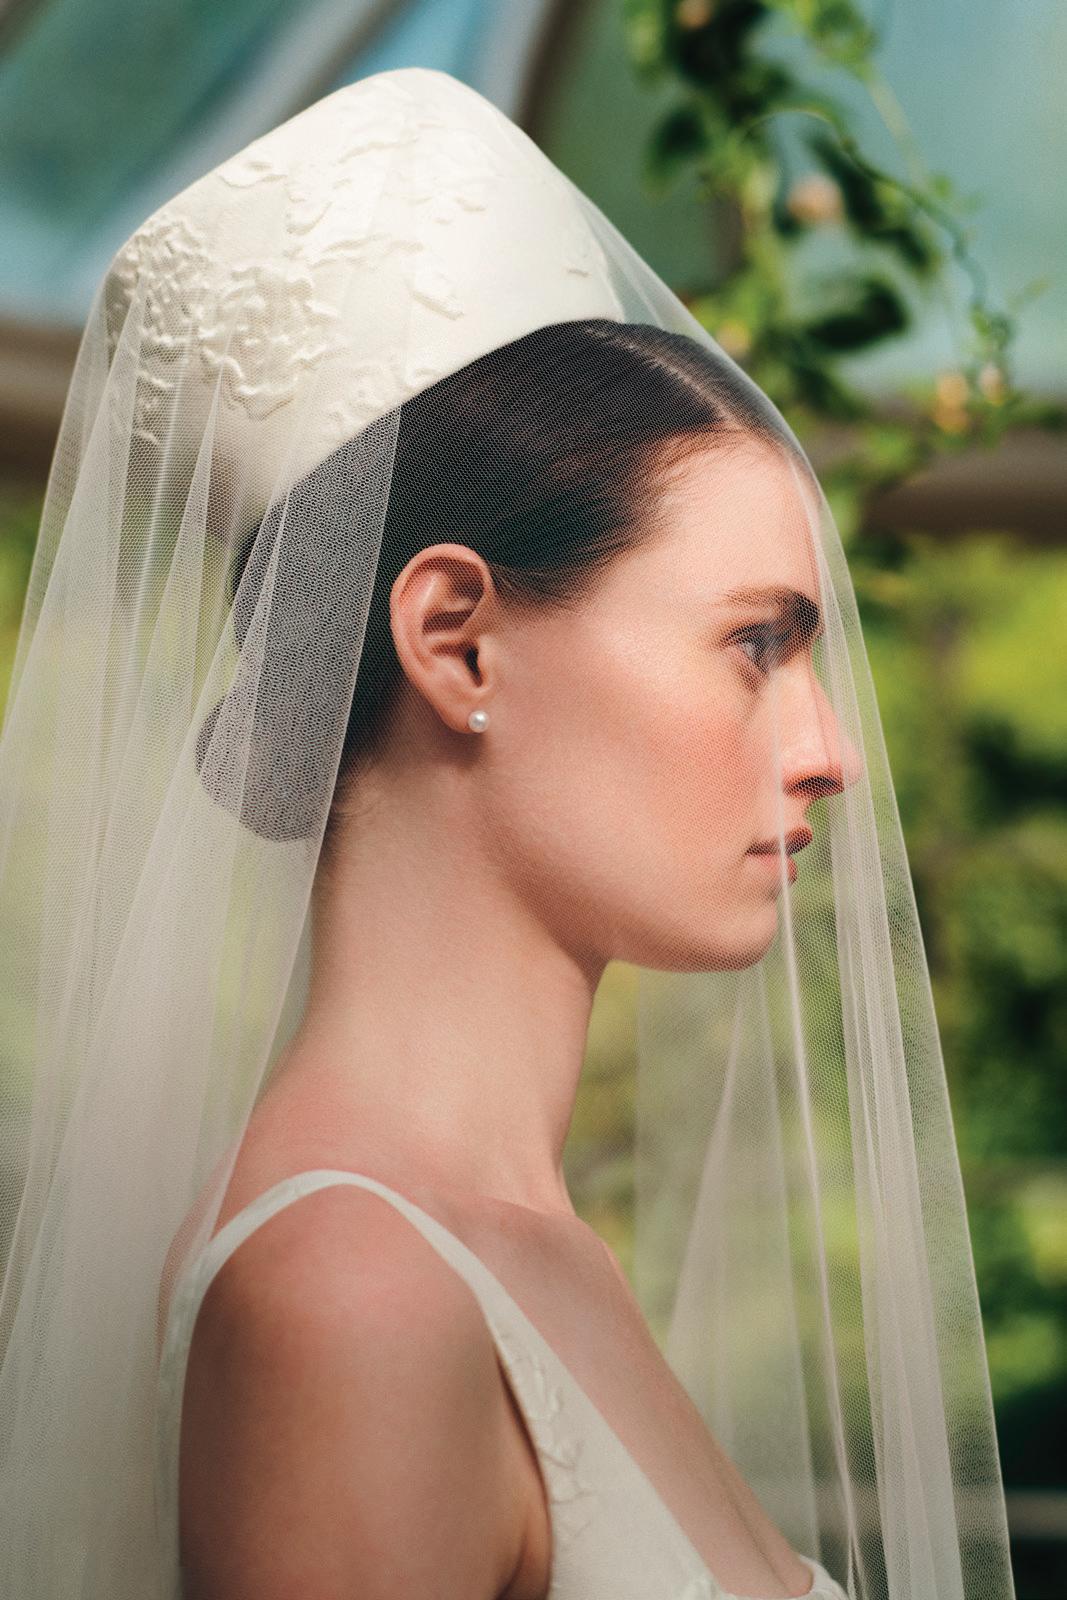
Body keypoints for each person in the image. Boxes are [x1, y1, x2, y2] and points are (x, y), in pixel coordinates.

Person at [0, 67, 1015, 1600]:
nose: (830, 755)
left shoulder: (525, 1253)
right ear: (456, 641)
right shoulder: (355, 1294)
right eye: (755, 644)